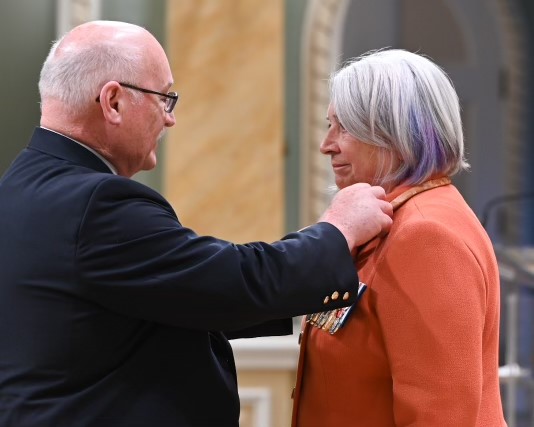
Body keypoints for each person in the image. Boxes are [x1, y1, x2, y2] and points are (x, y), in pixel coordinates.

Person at [0, 21, 393, 427]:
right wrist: (338, 229)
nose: (169, 119)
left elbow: (178, 297)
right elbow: (233, 282)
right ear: (113, 101)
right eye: (164, 98)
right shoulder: (98, 204)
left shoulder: (16, 189)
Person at [291, 49, 507, 426]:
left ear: (393, 131)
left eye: (343, 127)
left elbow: (439, 416)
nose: (327, 144)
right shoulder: (393, 221)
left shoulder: (426, 235)